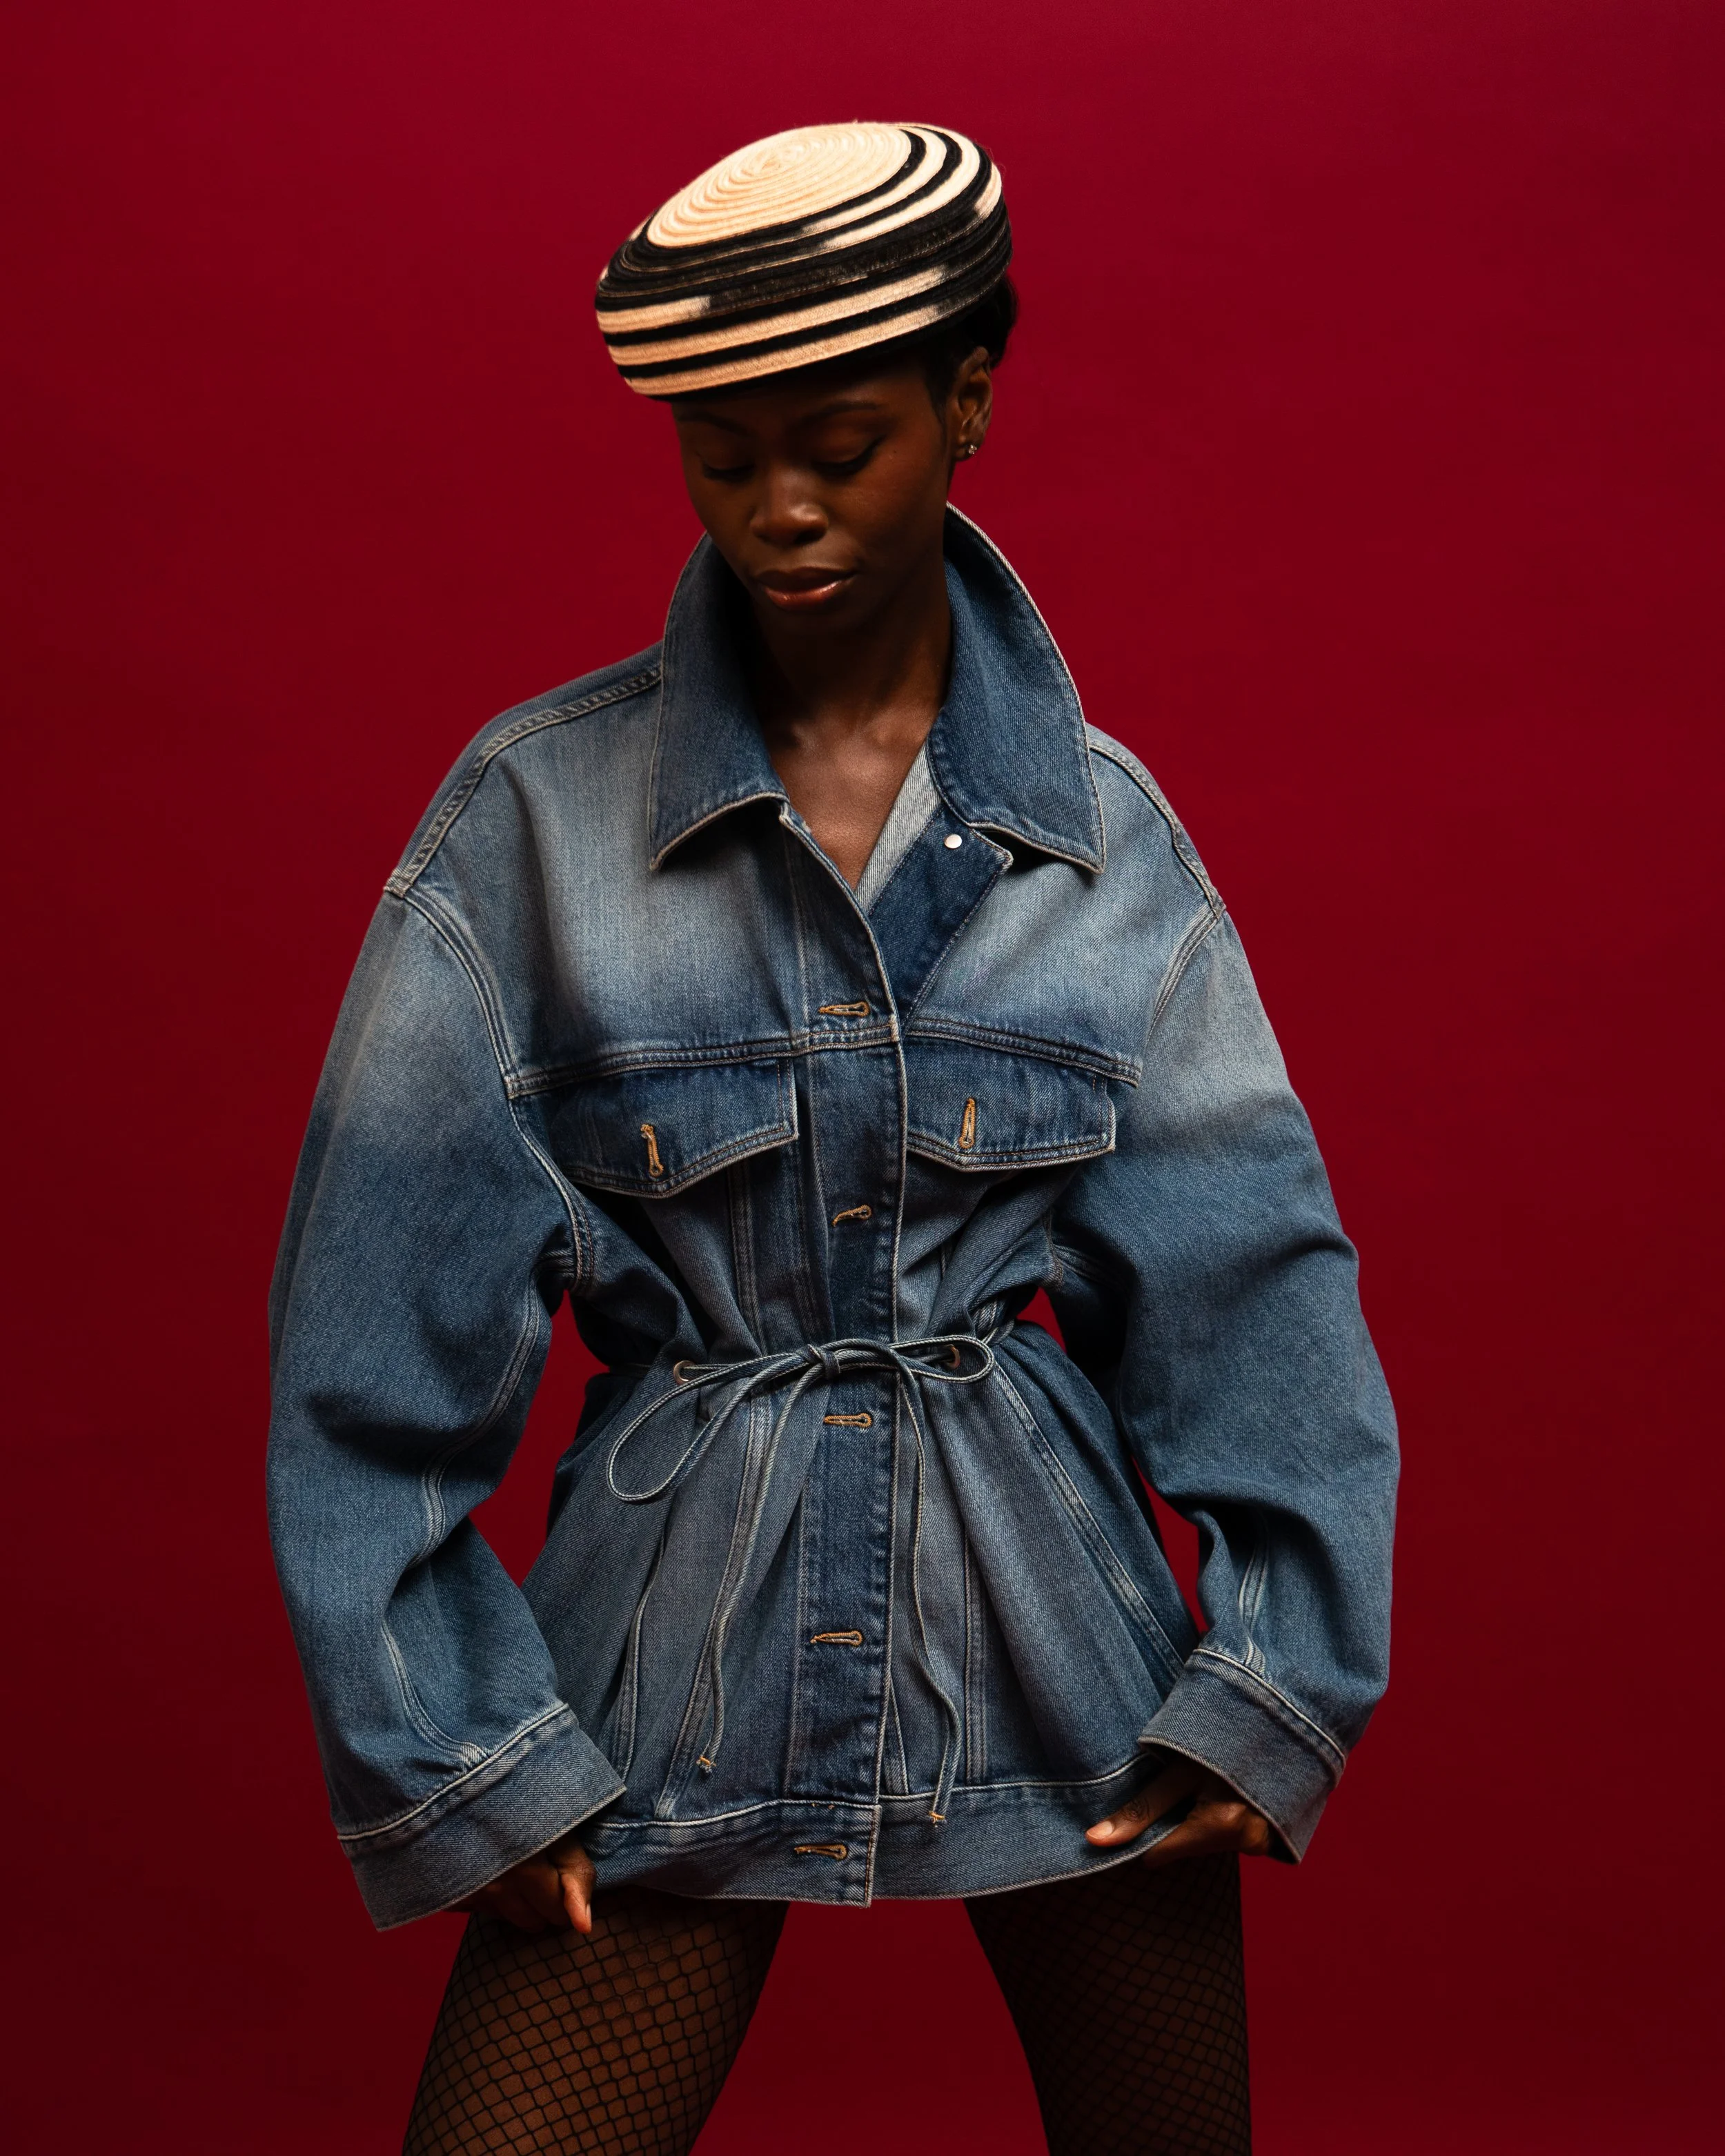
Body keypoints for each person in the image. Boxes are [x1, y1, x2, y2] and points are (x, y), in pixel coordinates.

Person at [266, 123, 1398, 2156]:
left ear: (968, 402)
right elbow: (369, 1350)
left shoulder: (1104, 842)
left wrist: (1276, 1680)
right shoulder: (533, 824)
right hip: (664, 1654)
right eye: (721, 456)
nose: (778, 507)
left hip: (1069, 1658)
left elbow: (1252, 1281)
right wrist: (454, 1755)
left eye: (840, 444)